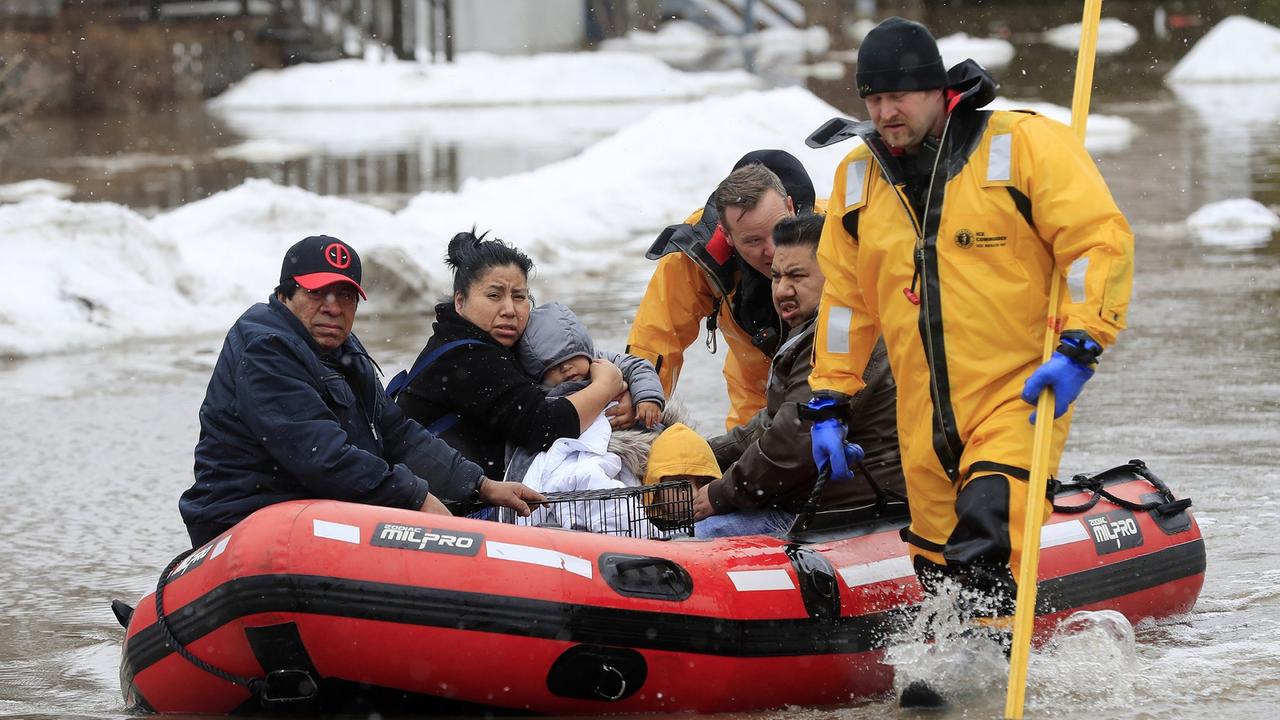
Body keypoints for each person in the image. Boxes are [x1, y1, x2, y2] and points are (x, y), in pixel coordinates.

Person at [805, 17, 1134, 616]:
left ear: (938, 90)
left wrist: (1082, 345)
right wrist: (829, 400)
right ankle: (977, 687)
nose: (885, 112)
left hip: (1020, 392)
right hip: (923, 417)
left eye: (898, 95)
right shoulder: (857, 182)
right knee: (940, 575)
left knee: (986, 531)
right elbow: (846, 307)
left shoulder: (1022, 147)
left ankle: (989, 676)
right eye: (873, 98)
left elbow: (1097, 244)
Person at [179, 235, 541, 548]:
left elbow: (397, 433)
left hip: (312, 515)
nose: (333, 307)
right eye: (318, 292)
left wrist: (481, 485)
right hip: (247, 521)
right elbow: (323, 457)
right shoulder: (266, 349)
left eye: (346, 295)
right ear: (284, 295)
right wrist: (417, 499)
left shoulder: (343, 351)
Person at [693, 213, 905, 538]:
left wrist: (718, 495)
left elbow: (793, 443)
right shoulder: (811, 331)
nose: (781, 290)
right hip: (820, 504)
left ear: (835, 276)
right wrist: (701, 456)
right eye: (776, 277)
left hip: (852, 513)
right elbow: (771, 423)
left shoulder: (841, 336)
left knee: (695, 534)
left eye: (796, 276)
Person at [395, 231, 629, 481]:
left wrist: (625, 394)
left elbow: (587, 362)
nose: (509, 310)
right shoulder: (468, 356)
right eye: (494, 295)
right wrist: (606, 387)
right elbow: (544, 426)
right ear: (460, 302)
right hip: (433, 507)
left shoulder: (488, 342)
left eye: (519, 297)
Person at [627, 150, 817, 431]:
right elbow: (656, 339)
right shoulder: (696, 251)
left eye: (779, 229)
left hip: (831, 380)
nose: (773, 250)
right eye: (753, 240)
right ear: (726, 235)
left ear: (790, 207)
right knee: (750, 463)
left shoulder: (835, 231)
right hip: (755, 394)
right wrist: (639, 403)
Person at [516, 302, 664, 430]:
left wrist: (647, 398)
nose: (566, 368)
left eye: (572, 357)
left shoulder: (602, 362)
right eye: (554, 365)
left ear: (584, 347)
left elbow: (638, 366)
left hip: (627, 432)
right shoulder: (537, 395)